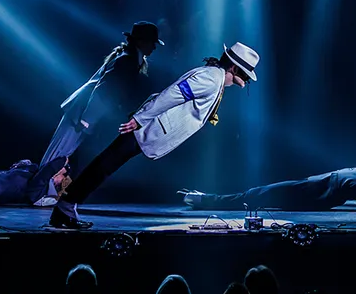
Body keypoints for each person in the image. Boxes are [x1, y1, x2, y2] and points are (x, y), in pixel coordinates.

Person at [49, 42, 261, 229]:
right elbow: (173, 93)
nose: (246, 80)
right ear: (234, 67)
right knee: (104, 165)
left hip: (151, 128)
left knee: (105, 164)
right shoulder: (212, 78)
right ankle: (65, 208)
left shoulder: (215, 78)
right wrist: (141, 118)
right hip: (148, 128)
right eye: (244, 73)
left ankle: (66, 208)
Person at [38, 21, 164, 204]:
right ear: (142, 41)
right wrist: (88, 118)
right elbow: (104, 88)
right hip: (82, 111)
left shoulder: (131, 59)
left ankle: (45, 191)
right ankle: (40, 192)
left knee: (65, 152)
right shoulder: (127, 60)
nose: (154, 47)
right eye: (152, 42)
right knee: (59, 152)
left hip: (87, 112)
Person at [178, 165, 356, 211]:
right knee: (256, 195)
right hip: (308, 188)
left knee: (253, 197)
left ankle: (202, 199)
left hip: (308, 195)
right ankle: (202, 198)